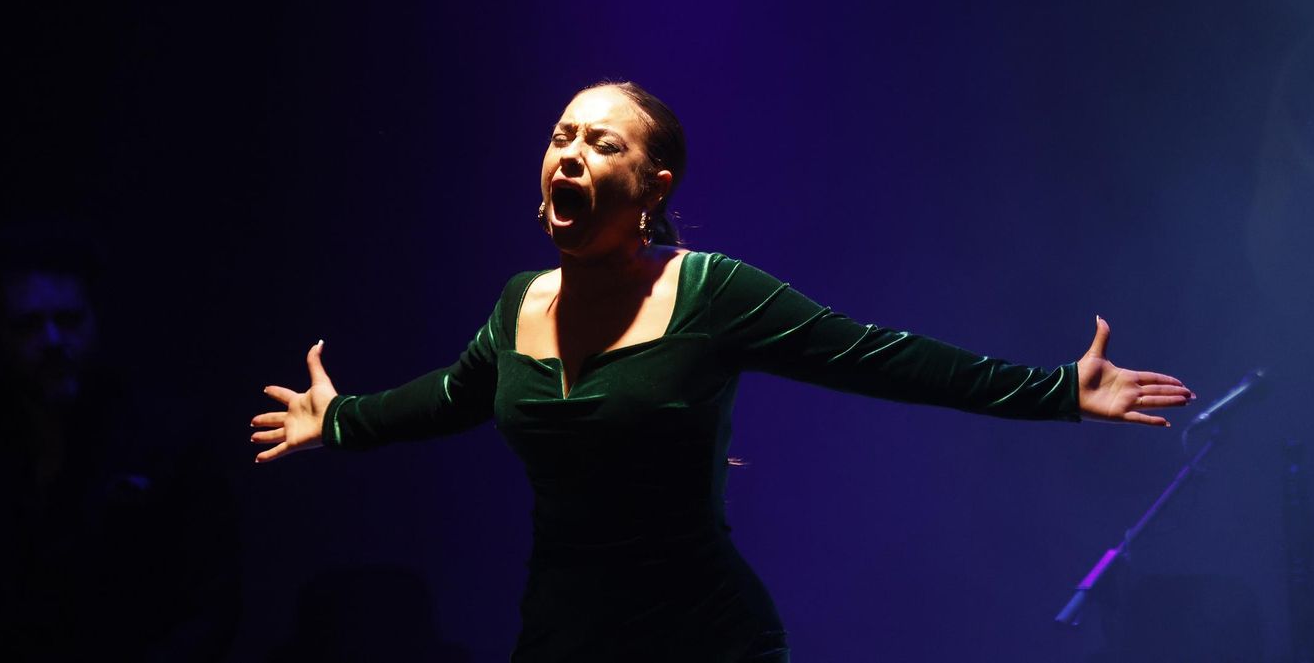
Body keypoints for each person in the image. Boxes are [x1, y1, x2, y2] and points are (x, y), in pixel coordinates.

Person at [250, 80, 1195, 662]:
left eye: (602, 142)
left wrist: (1057, 389)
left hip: (705, 638)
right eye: (561, 137)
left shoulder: (710, 292)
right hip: (563, 641)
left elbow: (875, 356)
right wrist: (341, 418)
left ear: (655, 189)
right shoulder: (517, 304)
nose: (570, 153)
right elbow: (453, 395)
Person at [0, 223, 242, 662]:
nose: (53, 341)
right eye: (28, 325)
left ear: (96, 319)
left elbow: (212, 605)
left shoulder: (165, 438)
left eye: (68, 320)